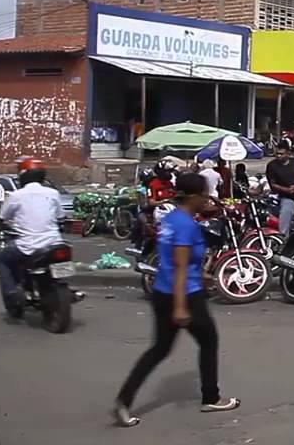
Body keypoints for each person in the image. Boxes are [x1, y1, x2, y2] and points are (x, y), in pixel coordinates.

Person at [114, 172, 238, 426]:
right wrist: (181, 307)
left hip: (163, 290)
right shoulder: (186, 225)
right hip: (184, 296)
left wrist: (202, 274)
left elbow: (175, 261)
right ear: (193, 196)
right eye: (204, 195)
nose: (207, 199)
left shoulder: (171, 219)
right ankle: (211, 398)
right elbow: (181, 267)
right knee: (209, 341)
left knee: (159, 349)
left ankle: (124, 401)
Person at [0, 160, 64, 312]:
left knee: (0, 260)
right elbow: (60, 217)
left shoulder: (16, 196)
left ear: (23, 177)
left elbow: (0, 219)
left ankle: (12, 294)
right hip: (54, 242)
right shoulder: (53, 193)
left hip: (28, 245)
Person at [265, 141, 294, 235]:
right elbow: (273, 184)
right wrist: (287, 190)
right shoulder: (272, 166)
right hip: (287, 198)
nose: (279, 156)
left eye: (281, 154)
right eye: (277, 154)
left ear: (288, 153)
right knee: (286, 213)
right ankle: (283, 238)